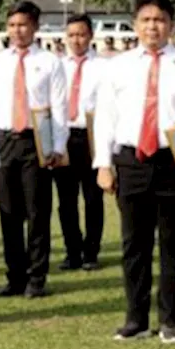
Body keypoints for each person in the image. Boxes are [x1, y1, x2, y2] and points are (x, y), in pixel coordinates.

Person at [93, 0, 175, 344]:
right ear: (135, 24)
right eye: (146, 19)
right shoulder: (118, 66)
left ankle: (170, 319)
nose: (153, 26)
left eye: (161, 20)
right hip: (130, 159)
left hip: (174, 161)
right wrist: (102, 163)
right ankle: (135, 319)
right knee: (133, 244)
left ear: (171, 25)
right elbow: (106, 116)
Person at [0, 1, 67, 298]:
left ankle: (36, 277)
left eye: (22, 25)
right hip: (4, 140)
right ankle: (14, 276)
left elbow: (59, 107)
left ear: (35, 27)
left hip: (36, 141)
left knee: (37, 212)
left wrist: (57, 146)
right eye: (12, 25)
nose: (17, 31)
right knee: (8, 211)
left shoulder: (50, 62)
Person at [54, 14, 108, 272]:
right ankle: (72, 250)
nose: (76, 40)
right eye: (72, 35)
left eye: (81, 34)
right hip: (64, 136)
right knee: (66, 199)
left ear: (91, 36)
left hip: (91, 136)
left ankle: (91, 251)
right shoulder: (57, 66)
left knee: (92, 197)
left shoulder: (104, 67)